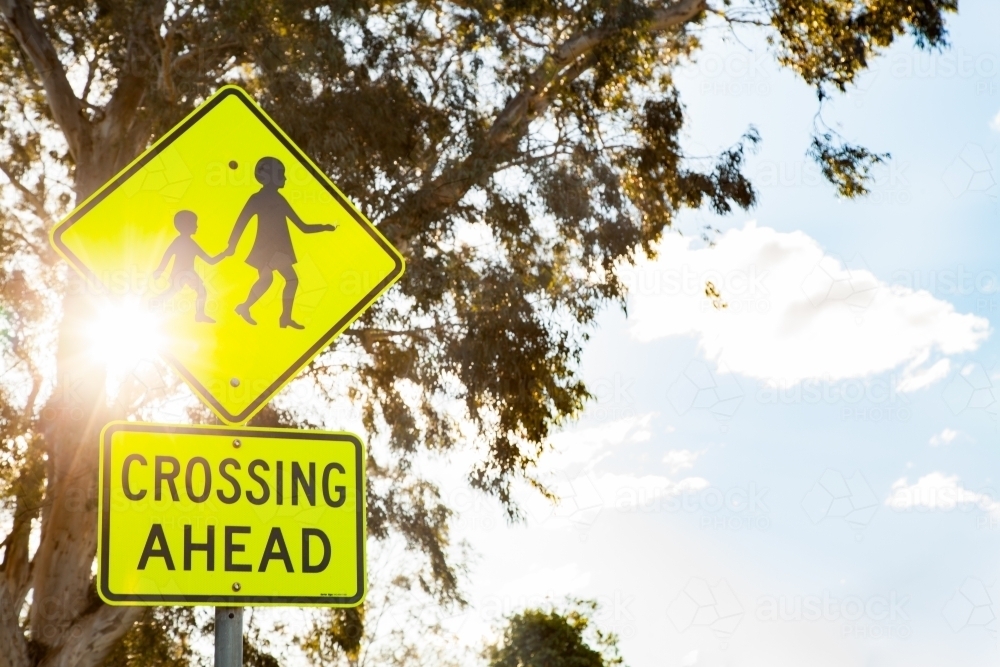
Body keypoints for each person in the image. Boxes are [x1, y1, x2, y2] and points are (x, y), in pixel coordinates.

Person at [222, 156, 337, 329]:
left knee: (278, 279)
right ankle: (255, 310)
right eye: (281, 174)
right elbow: (242, 221)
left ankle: (257, 310)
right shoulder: (257, 198)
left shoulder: (280, 199)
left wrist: (324, 227)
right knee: (282, 279)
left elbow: (302, 226)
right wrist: (232, 245)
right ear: (269, 176)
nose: (285, 178)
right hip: (268, 249)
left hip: (278, 248)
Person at [152, 210, 223, 323]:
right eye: (194, 223)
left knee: (177, 291)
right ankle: (156, 302)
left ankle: (156, 302)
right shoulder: (182, 241)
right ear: (187, 225)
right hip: (183, 273)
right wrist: (159, 270)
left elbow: (210, 261)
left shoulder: (189, 242)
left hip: (186, 273)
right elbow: (168, 254)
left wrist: (224, 254)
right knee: (196, 291)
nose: (197, 226)